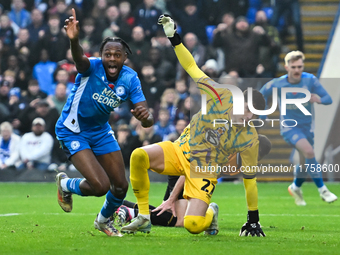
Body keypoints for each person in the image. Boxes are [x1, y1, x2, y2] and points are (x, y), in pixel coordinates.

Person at [120, 15, 266, 237]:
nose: (247, 116)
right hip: (180, 150)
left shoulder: (249, 138)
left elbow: (250, 181)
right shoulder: (220, 93)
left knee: (193, 226)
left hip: (204, 170)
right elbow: (190, 66)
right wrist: (174, 37)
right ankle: (142, 215)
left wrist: (253, 220)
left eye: (252, 115)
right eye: (246, 109)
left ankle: (210, 212)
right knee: (138, 155)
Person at [54, 9, 153, 237]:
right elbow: (79, 59)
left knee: (120, 185)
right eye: (107, 54)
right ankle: (66, 185)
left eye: (117, 55)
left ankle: (102, 221)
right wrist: (74, 40)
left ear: (124, 58)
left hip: (100, 131)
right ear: (101, 56)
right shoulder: (92, 67)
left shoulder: (130, 78)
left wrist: (145, 118)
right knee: (100, 186)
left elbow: (148, 118)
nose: (112, 59)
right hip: (73, 130)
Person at [117, 134, 272, 229]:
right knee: (177, 218)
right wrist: (172, 198)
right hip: (182, 166)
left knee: (173, 215)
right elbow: (190, 169)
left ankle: (119, 206)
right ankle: (129, 212)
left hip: (193, 172)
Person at [260, 51, 337, 206]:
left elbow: (328, 98)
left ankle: (295, 187)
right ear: (286, 67)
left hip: (307, 128)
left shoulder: (310, 80)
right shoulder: (278, 83)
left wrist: (318, 99)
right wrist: (263, 115)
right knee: (309, 152)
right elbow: (260, 95)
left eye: (300, 66)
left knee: (304, 163)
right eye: (293, 67)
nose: (297, 70)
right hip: (289, 128)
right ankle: (323, 190)